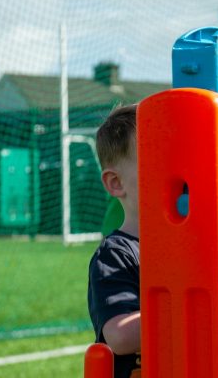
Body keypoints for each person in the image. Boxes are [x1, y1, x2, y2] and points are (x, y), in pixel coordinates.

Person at [87, 104, 141, 378]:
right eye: (157, 159)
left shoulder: (189, 248)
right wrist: (189, 304)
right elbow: (119, 336)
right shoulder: (115, 255)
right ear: (116, 183)